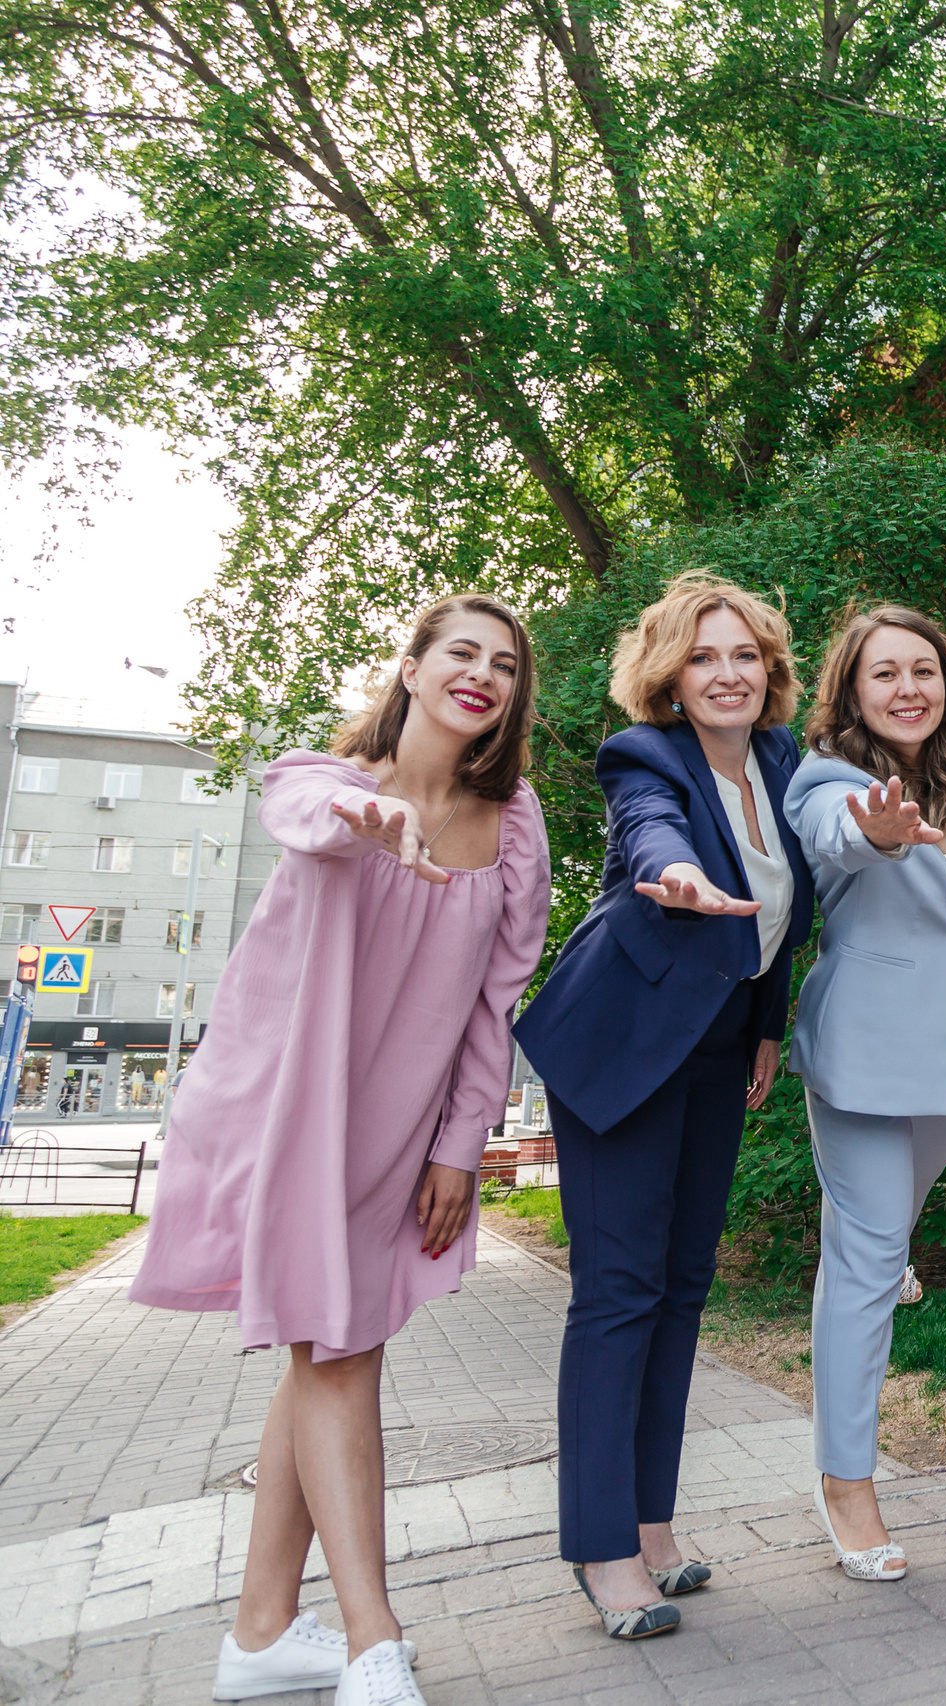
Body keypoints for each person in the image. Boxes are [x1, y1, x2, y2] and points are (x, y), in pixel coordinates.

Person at [130, 595, 550, 1706]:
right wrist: (368, 822)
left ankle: (261, 1632)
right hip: (290, 1112)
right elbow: (304, 812)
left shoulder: (513, 825)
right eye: (459, 652)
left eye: (503, 664)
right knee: (338, 1349)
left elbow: (496, 1001)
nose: (482, 674)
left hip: (404, 1131)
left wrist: (462, 1144)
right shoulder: (319, 780)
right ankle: (372, 1634)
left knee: (326, 1348)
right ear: (410, 668)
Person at [514, 574, 814, 1636]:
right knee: (619, 1292)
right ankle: (601, 1549)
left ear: (770, 671)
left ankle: (649, 1522)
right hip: (623, 1043)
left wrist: (769, 1023)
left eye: (744, 655)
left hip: (720, 1045)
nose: (725, 673)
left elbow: (787, 901)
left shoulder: (783, 763)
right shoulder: (644, 756)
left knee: (684, 1287)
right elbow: (650, 831)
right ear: (669, 678)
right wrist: (680, 870)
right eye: (702, 657)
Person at [784, 604, 946, 1582]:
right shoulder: (829, 780)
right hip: (868, 1053)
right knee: (866, 1262)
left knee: (869, 1246)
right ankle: (847, 1486)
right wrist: (873, 835)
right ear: (853, 690)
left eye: (924, 667)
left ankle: (870, 1259)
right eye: (884, 673)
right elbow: (839, 835)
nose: (907, 686)